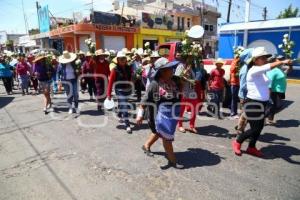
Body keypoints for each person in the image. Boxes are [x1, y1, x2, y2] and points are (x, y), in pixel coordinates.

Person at [232, 47, 292, 157]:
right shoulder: (254, 70)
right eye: (263, 58)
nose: (265, 59)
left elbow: (268, 73)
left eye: (266, 58)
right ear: (255, 60)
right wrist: (283, 61)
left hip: (262, 103)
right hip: (253, 103)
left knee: (259, 127)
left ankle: (251, 147)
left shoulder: (262, 72)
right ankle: (238, 141)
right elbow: (268, 66)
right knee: (255, 128)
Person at [136, 57, 183, 169]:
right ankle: (173, 161)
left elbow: (179, 93)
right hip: (158, 115)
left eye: (172, 68)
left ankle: (146, 145)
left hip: (172, 114)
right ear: (162, 71)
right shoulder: (154, 84)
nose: (172, 70)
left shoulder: (175, 81)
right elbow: (144, 100)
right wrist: (139, 115)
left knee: (158, 133)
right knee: (166, 137)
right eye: (169, 69)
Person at [107, 51, 133, 134]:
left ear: (126, 59)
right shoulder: (114, 70)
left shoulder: (129, 68)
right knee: (125, 106)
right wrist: (109, 94)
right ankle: (127, 124)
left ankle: (120, 114)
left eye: (124, 58)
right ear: (117, 60)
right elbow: (110, 82)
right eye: (120, 59)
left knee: (123, 104)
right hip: (119, 90)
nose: (122, 60)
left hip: (127, 90)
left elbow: (131, 78)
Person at [266, 55, 292, 125]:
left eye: (282, 59)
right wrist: (268, 95)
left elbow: (289, 70)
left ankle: (270, 120)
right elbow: (269, 82)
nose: (281, 60)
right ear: (275, 60)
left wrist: (290, 64)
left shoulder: (280, 69)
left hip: (280, 91)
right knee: (274, 106)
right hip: (274, 91)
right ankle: (262, 118)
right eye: (279, 59)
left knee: (274, 106)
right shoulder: (273, 70)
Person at [235, 48, 254, 134]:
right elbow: (243, 86)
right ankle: (240, 130)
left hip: (248, 95)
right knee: (246, 114)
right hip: (245, 96)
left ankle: (240, 127)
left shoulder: (249, 68)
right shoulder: (245, 70)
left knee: (246, 114)